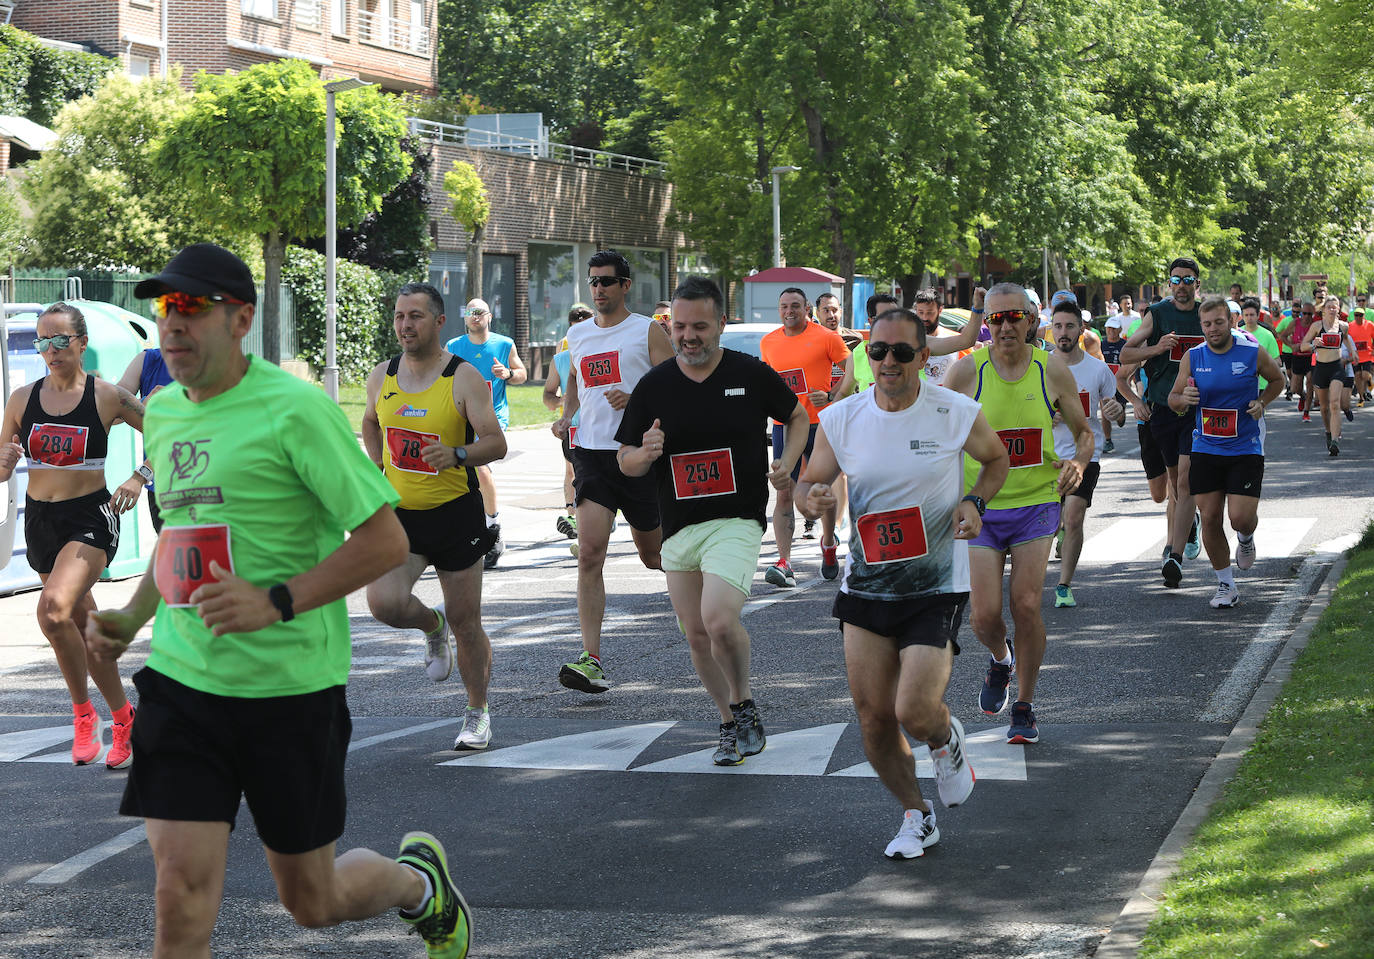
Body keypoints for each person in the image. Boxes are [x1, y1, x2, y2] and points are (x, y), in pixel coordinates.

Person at [83, 243, 472, 959]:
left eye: (192, 308)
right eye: (166, 307)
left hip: (290, 687)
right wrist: (132, 618)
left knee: (312, 900)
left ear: (241, 319)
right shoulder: (165, 413)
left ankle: (419, 887)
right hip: (183, 679)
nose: (173, 324)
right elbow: (185, 537)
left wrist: (278, 599)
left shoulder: (297, 410)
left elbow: (385, 539)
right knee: (179, 894)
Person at [796, 307, 1008, 858]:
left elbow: (995, 460)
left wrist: (973, 501)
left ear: (924, 355)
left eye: (901, 352)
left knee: (913, 709)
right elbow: (811, 482)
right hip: (866, 586)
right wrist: (811, 497)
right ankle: (917, 814)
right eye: (878, 351)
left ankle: (944, 737)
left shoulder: (953, 411)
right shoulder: (842, 418)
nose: (888, 361)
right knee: (872, 718)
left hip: (935, 583)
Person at [616, 277, 809, 765]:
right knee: (696, 634)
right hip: (678, 526)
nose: (688, 336)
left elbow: (797, 416)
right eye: (679, 326)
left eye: (699, 326)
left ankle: (742, 702)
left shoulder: (749, 371)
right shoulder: (654, 386)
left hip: (737, 518)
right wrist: (645, 452)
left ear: (721, 325)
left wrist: (788, 463)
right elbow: (626, 460)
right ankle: (729, 722)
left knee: (719, 619)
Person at [0, 302, 149, 768]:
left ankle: (83, 715)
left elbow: (173, 433)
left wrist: (140, 475)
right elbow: (1, 465)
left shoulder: (107, 397)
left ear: (81, 343)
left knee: (52, 610)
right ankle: (124, 718)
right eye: (42, 341)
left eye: (60, 339)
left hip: (91, 518)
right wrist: (4, 465)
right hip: (42, 521)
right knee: (84, 629)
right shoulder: (22, 399)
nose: (51, 349)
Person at [944, 284, 1093, 744]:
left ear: (1031, 320)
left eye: (1014, 317)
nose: (1005, 326)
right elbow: (939, 438)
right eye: (996, 319)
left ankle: (1025, 706)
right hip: (982, 507)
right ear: (986, 323)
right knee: (983, 618)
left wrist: (1079, 463)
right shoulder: (967, 371)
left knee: (1026, 604)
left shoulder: (1052, 369)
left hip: (1036, 504)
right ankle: (1001, 658)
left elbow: (1084, 433)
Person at [364, 283, 506, 751]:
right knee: (383, 604)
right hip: (402, 516)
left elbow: (496, 442)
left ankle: (477, 713)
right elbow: (370, 420)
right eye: (400, 315)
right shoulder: (381, 375)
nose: (405, 325)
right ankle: (431, 626)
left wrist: (458, 453)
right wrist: (379, 468)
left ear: (439, 322)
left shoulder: (462, 377)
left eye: (416, 316)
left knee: (468, 622)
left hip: (455, 516)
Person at [551, 249, 674, 693]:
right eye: (594, 281)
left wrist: (637, 398)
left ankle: (704, 602)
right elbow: (575, 381)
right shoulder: (578, 334)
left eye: (607, 281)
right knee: (589, 554)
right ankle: (591, 657)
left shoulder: (647, 331)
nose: (599, 289)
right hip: (592, 456)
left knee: (654, 556)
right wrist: (567, 416)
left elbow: (675, 386)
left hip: (637, 455)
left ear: (625, 285)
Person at [1167, 295, 1283, 608]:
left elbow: (1277, 380)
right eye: (1207, 324)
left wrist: (1262, 402)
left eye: (1219, 322)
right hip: (1206, 447)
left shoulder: (1250, 351)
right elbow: (1173, 399)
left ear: (1230, 322)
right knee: (1211, 517)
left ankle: (1246, 538)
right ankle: (1225, 585)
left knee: (1240, 518)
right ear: (1201, 326)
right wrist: (1183, 399)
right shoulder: (1193, 357)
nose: (1213, 329)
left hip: (1245, 446)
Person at [1119, 257, 1206, 588]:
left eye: (1188, 279)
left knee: (1185, 480)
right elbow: (1126, 356)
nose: (1181, 285)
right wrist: (1158, 346)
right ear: (1169, 283)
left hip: (1197, 408)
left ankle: (1175, 555)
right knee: (1172, 485)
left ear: (1197, 283)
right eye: (1176, 279)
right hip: (1162, 409)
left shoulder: (1206, 314)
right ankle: (1189, 522)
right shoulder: (1157, 313)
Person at [759, 286, 852, 585]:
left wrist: (832, 396)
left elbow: (851, 371)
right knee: (784, 491)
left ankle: (828, 541)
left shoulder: (826, 337)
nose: (789, 311)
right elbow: (767, 382)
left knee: (820, 489)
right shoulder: (768, 342)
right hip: (784, 425)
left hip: (818, 425)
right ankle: (784, 561)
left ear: (807, 309)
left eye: (795, 306)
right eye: (784, 306)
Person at [1047, 302, 1123, 608]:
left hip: (1084, 454)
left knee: (1074, 516)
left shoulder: (1097, 369)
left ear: (1081, 330)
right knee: (1051, 523)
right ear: (1051, 330)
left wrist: (1117, 412)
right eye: (1058, 326)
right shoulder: (1039, 366)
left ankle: (1064, 585)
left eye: (1069, 326)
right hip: (1046, 457)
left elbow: (1115, 412)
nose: (1063, 333)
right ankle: (1058, 533)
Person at [445, 297, 527, 568]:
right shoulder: (454, 346)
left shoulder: (504, 344)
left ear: (489, 316)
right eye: (469, 312)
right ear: (465, 318)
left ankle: (493, 526)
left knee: (479, 467)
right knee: (459, 472)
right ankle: (468, 528)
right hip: (461, 416)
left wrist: (507, 374)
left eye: (479, 312)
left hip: (492, 418)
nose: (474, 316)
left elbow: (521, 374)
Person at [543, 303, 594, 547]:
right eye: (575, 331)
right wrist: (561, 402)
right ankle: (576, 519)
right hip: (573, 426)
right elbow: (548, 396)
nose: (580, 336)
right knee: (573, 472)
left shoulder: (606, 352)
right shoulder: (560, 360)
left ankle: (602, 515)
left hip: (604, 425)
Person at [116, 346, 175, 532]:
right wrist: (143, 405)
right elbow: (113, 412)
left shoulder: (214, 365)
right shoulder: (148, 360)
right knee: (172, 559)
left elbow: (188, 431)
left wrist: (141, 475)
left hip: (209, 488)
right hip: (161, 489)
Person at [1301, 294, 1358, 456]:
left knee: (1334, 404)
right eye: (1329, 307)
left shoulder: (1343, 326)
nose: (1332, 309)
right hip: (1321, 368)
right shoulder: (1317, 326)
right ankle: (1328, 431)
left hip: (1337, 367)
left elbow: (1346, 339)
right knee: (1324, 407)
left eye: (1335, 307)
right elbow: (1303, 346)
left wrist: (1353, 353)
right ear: (1324, 310)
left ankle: (1334, 440)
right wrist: (1314, 344)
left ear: (1338, 309)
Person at [1287, 300, 1317, 421]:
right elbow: (1282, 335)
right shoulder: (1295, 323)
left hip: (1310, 357)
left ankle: (1306, 412)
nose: (1306, 316)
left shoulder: (1316, 325)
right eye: (1304, 313)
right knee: (1295, 388)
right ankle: (1303, 397)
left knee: (1310, 383)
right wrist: (1291, 345)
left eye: (1309, 314)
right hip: (1298, 357)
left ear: (1313, 314)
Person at [1347, 307, 1373, 404]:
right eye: (1356, 315)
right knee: (1357, 376)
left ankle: (1369, 379)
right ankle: (1361, 397)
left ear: (1364, 316)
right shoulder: (1350, 326)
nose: (1358, 317)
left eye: (1360, 315)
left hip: (1367, 355)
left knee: (1365, 375)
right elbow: (1346, 340)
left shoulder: (1370, 325)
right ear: (1354, 316)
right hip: (1355, 355)